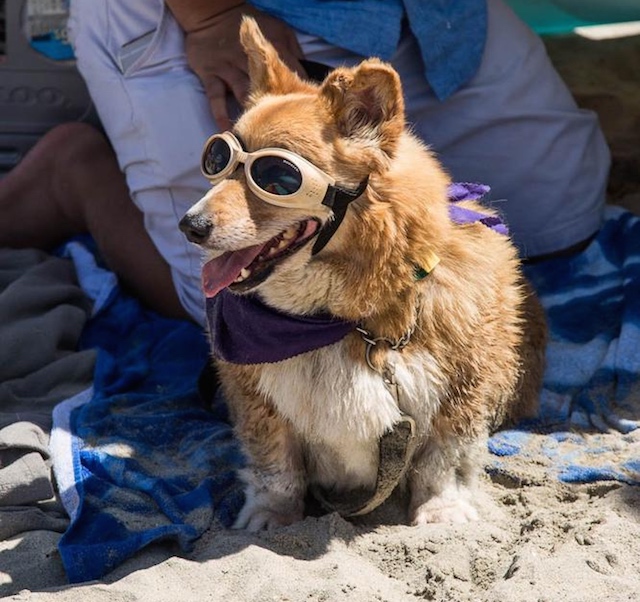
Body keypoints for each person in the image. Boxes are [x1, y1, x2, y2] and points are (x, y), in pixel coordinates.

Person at [0, 0, 610, 325]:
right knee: (229, 292)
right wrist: (210, 16)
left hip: (418, 10)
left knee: (560, 222)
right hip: (211, 10)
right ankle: (74, 177)